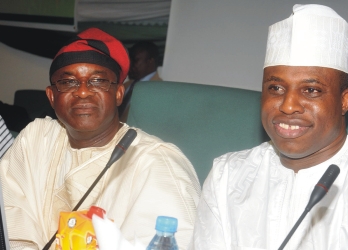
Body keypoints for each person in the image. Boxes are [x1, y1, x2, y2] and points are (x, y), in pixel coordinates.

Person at [191, 4, 348, 249]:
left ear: (344, 102)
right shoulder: (227, 175)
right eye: (276, 88)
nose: (288, 106)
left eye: (311, 90)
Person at [0, 27, 200, 250]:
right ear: (51, 96)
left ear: (118, 94)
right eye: (68, 82)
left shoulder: (157, 163)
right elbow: (9, 222)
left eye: (97, 81)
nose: (83, 92)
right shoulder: (36, 139)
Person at [119, 41, 163, 122]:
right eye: (129, 60)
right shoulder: (126, 85)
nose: (130, 65)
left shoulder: (160, 91)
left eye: (135, 60)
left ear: (150, 61)